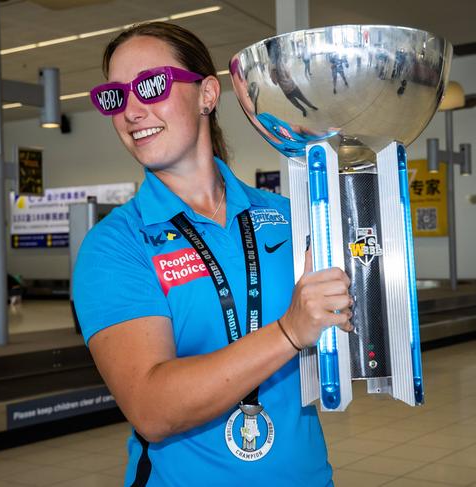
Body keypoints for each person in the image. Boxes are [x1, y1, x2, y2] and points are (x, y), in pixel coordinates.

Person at [73, 22, 353, 487]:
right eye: (115, 96)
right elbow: (151, 409)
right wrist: (289, 331)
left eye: (151, 85)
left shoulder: (289, 217)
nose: (132, 111)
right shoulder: (117, 244)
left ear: (207, 94)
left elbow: (345, 341)